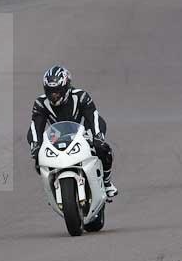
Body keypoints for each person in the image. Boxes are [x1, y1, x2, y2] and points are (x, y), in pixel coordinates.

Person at [27, 65, 118, 200]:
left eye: (57, 91)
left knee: (103, 149)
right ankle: (52, 190)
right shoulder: (40, 103)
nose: (53, 95)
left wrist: (98, 136)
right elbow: (36, 126)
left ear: (66, 87)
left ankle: (107, 182)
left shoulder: (81, 96)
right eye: (50, 91)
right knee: (38, 159)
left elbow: (93, 116)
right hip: (57, 136)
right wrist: (35, 147)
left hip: (83, 130)